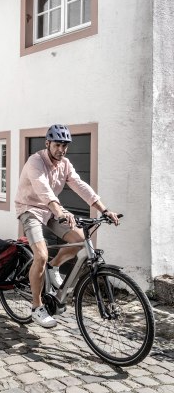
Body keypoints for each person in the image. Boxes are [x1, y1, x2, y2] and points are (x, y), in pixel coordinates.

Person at [15, 124, 120, 328]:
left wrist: (104, 209)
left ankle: (54, 267)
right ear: (48, 144)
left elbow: (80, 186)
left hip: (53, 210)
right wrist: (60, 211)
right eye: (57, 145)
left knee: (81, 240)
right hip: (30, 209)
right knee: (41, 255)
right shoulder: (35, 161)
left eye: (65, 145)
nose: (61, 149)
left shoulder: (65, 164)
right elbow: (43, 190)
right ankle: (37, 307)